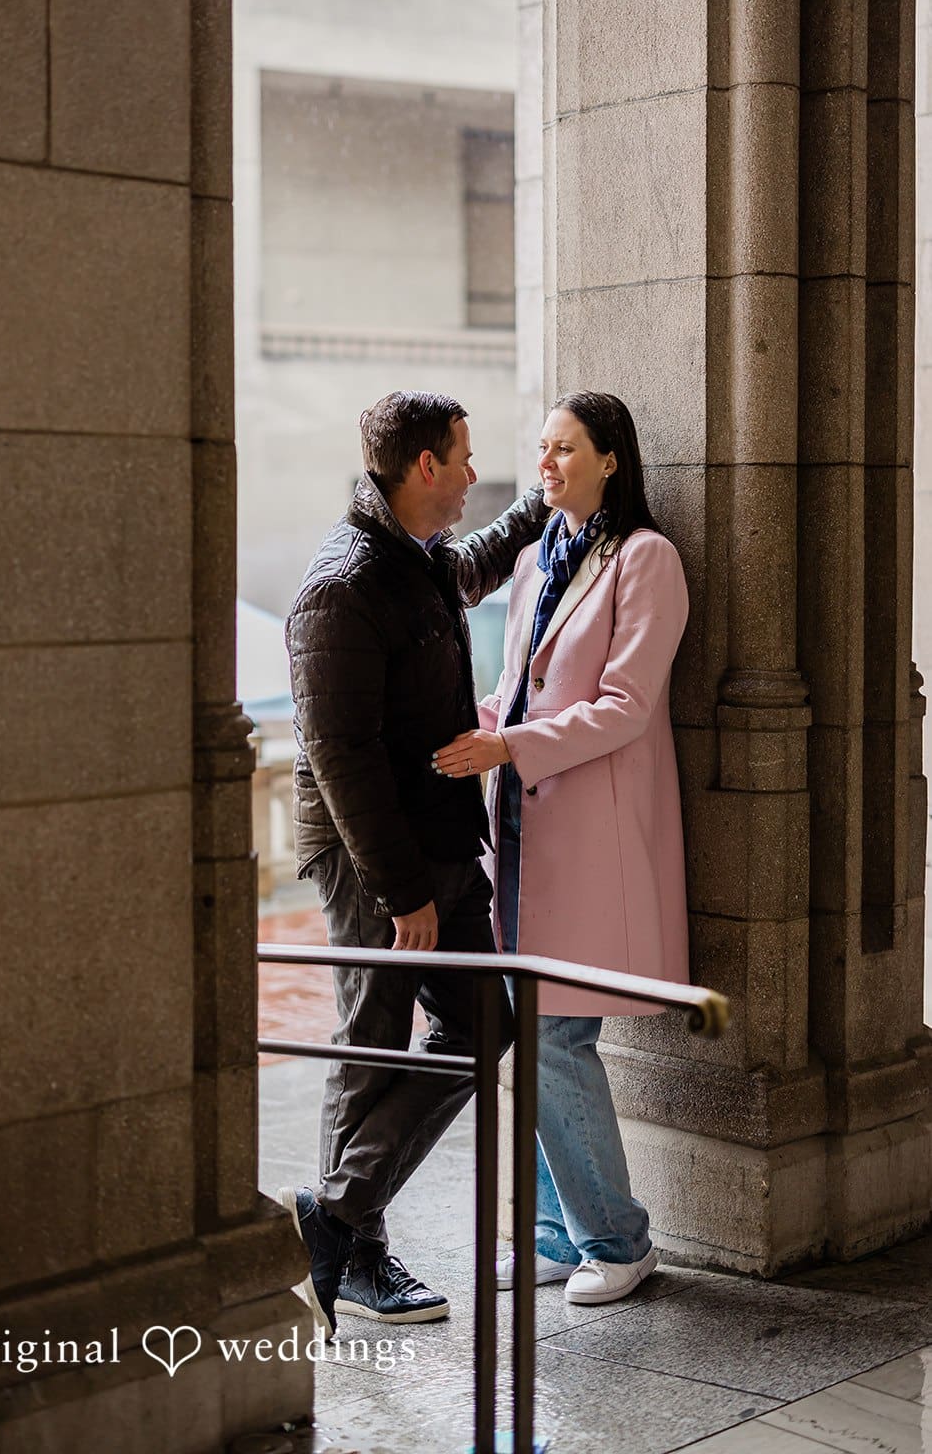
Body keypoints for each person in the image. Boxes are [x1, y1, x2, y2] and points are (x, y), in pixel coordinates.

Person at [280, 391, 548, 1336]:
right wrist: (401, 894)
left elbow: (471, 568)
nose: (478, 475)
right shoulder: (339, 586)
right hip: (372, 857)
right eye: (466, 459)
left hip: (438, 840)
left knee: (484, 1024)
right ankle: (359, 1253)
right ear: (422, 468)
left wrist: (543, 503)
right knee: (372, 1041)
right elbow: (341, 759)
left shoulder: (420, 558)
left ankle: (337, 1215)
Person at [433, 391, 689, 1305]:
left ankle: (618, 1241)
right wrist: (472, 731)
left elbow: (625, 706)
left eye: (562, 449)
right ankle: (550, 1234)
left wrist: (509, 745)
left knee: (555, 1037)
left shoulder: (645, 560)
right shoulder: (539, 556)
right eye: (539, 449)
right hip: (519, 832)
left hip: (590, 836)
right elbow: (516, 692)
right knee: (530, 1042)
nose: (543, 465)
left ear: (609, 459)